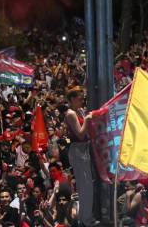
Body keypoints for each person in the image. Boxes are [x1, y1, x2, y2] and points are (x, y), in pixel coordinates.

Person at [63, 86, 97, 226]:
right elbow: (80, 133)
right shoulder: (71, 113)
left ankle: (86, 217)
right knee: (84, 186)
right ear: (72, 99)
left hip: (84, 150)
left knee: (88, 185)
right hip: (77, 150)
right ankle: (85, 220)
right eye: (79, 97)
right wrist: (88, 119)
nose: (82, 100)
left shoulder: (79, 111)